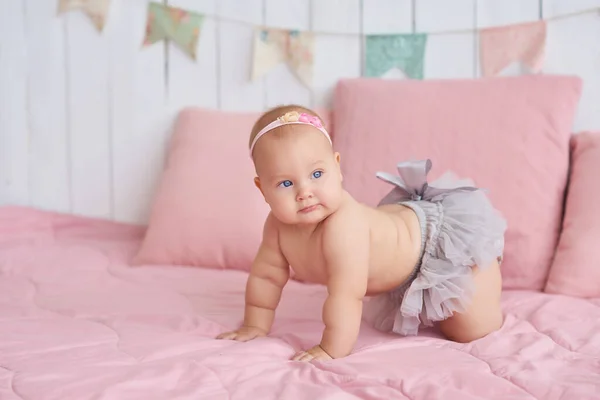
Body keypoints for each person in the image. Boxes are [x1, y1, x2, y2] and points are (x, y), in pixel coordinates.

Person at [216, 104, 507, 362]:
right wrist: (254, 325)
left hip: (435, 244)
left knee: (471, 329)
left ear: (337, 167)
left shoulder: (342, 226)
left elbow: (346, 295)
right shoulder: (276, 227)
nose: (305, 192)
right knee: (446, 320)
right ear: (262, 188)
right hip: (402, 264)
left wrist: (332, 348)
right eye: (285, 184)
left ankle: (487, 273)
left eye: (317, 174)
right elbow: (266, 277)